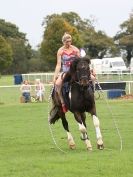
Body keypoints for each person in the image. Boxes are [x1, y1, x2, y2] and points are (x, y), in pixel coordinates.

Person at [53, 33, 80, 113]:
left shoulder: (75, 50)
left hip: (75, 71)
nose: (69, 43)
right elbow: (58, 65)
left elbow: (80, 61)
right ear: (63, 42)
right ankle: (63, 102)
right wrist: (55, 76)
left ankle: (92, 93)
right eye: (67, 41)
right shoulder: (60, 51)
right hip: (65, 72)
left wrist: (90, 70)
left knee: (91, 78)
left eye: (70, 41)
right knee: (57, 84)